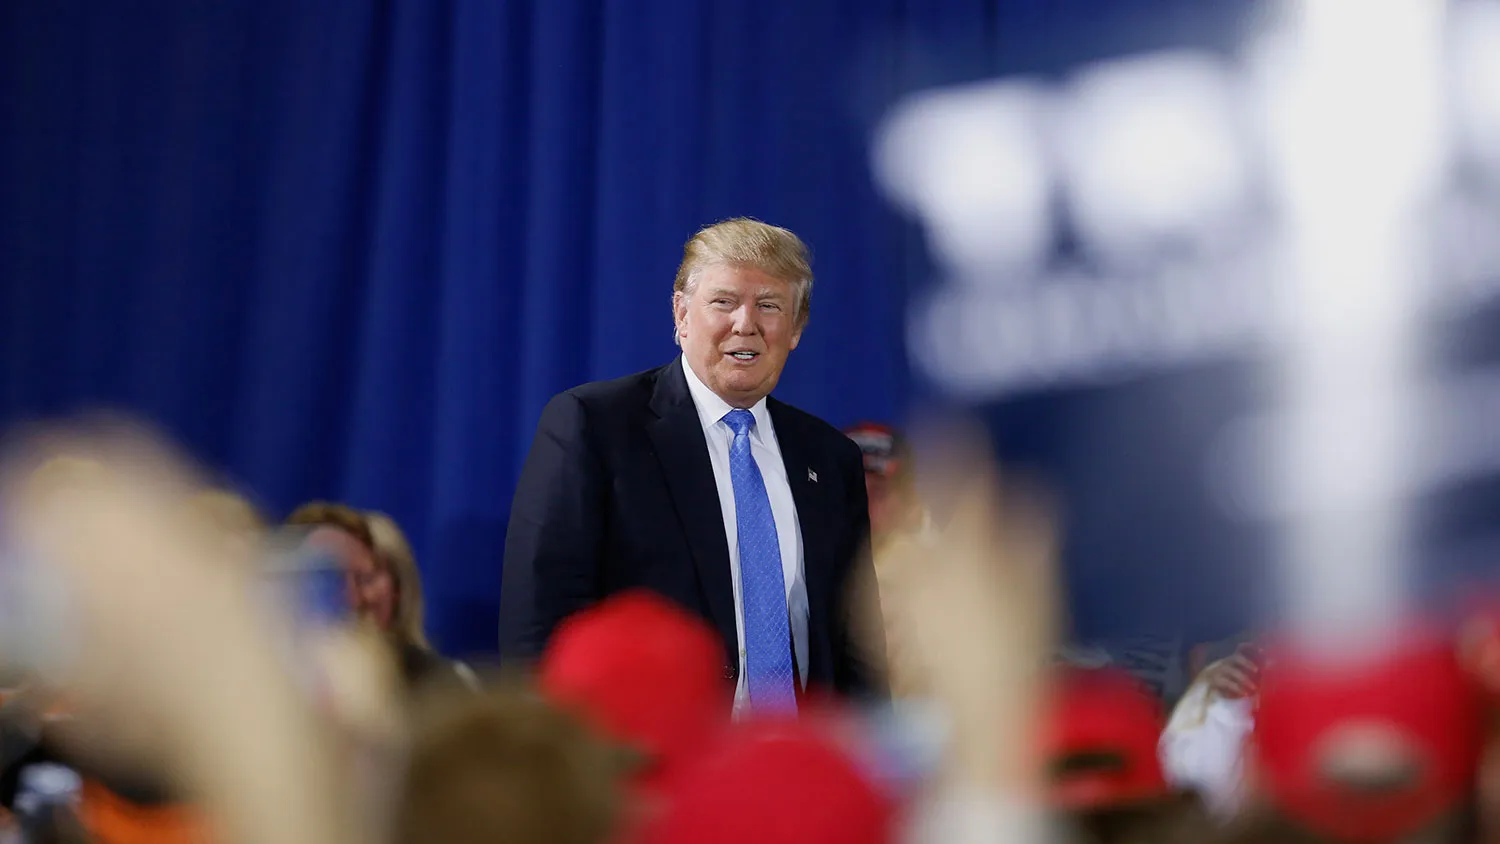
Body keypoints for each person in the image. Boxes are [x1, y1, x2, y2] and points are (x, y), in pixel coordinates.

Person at [501, 218, 878, 711]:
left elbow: (857, 642)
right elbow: (540, 624)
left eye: (769, 306)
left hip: (797, 762)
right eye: (724, 302)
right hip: (647, 763)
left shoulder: (830, 458)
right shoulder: (595, 427)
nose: (746, 324)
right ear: (681, 315)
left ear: (796, 330)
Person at [284, 503, 473, 695]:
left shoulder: (440, 687)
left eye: (364, 578)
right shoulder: (265, 688)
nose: (355, 599)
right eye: (332, 581)